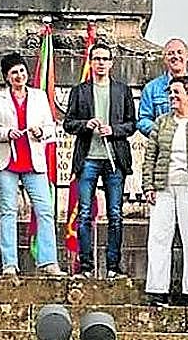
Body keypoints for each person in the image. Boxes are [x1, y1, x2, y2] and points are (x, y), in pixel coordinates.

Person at [63, 40, 135, 279]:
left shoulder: (122, 90)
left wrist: (113, 130)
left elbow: (131, 125)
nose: (101, 63)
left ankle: (113, 266)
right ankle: (86, 267)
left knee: (115, 214)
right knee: (84, 213)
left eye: (105, 59)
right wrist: (86, 124)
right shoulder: (79, 91)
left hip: (114, 159)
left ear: (111, 63)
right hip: (88, 159)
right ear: (91, 62)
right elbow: (68, 124)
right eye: (97, 59)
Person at [0, 52, 64, 275]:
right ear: (7, 77)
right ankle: (9, 264)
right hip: (6, 162)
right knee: (8, 211)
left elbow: (51, 128)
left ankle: (48, 261)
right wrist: (6, 133)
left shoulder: (39, 97)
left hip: (34, 162)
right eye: (14, 73)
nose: (19, 75)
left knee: (45, 210)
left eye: (21, 71)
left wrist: (41, 132)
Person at [142, 75, 188, 307]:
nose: (172, 97)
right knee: (159, 238)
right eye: (170, 93)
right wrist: (148, 185)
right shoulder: (161, 122)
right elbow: (150, 155)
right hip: (163, 186)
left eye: (176, 92)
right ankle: (157, 289)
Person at [137, 38, 188, 135]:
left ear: (187, 56)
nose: (175, 56)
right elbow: (144, 120)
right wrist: (162, 132)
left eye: (179, 52)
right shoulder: (151, 89)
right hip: (164, 143)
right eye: (170, 53)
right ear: (164, 59)